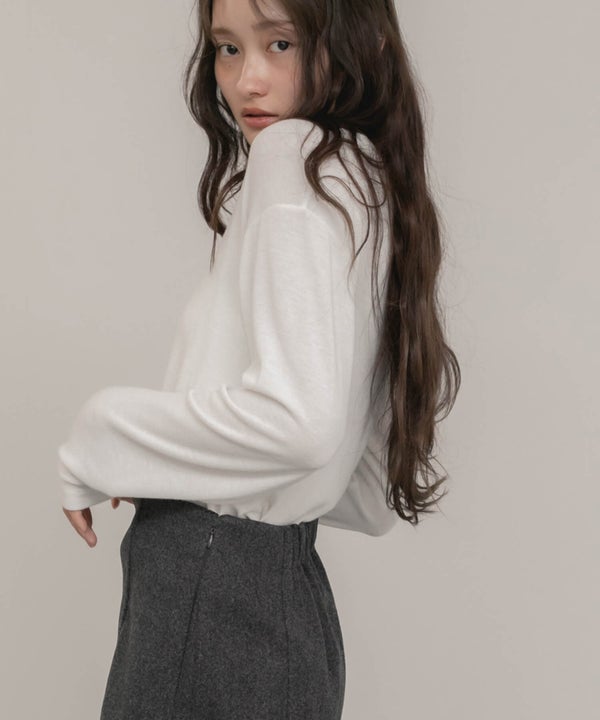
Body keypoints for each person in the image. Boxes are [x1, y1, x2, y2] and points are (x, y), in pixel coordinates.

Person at [59, 0, 461, 718]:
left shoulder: (291, 160)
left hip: (209, 592)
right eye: (227, 48)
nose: (247, 79)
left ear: (356, 42)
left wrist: (104, 436)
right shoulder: (365, 177)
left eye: (281, 44)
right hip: (286, 601)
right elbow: (365, 487)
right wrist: (185, 466)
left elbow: (299, 424)